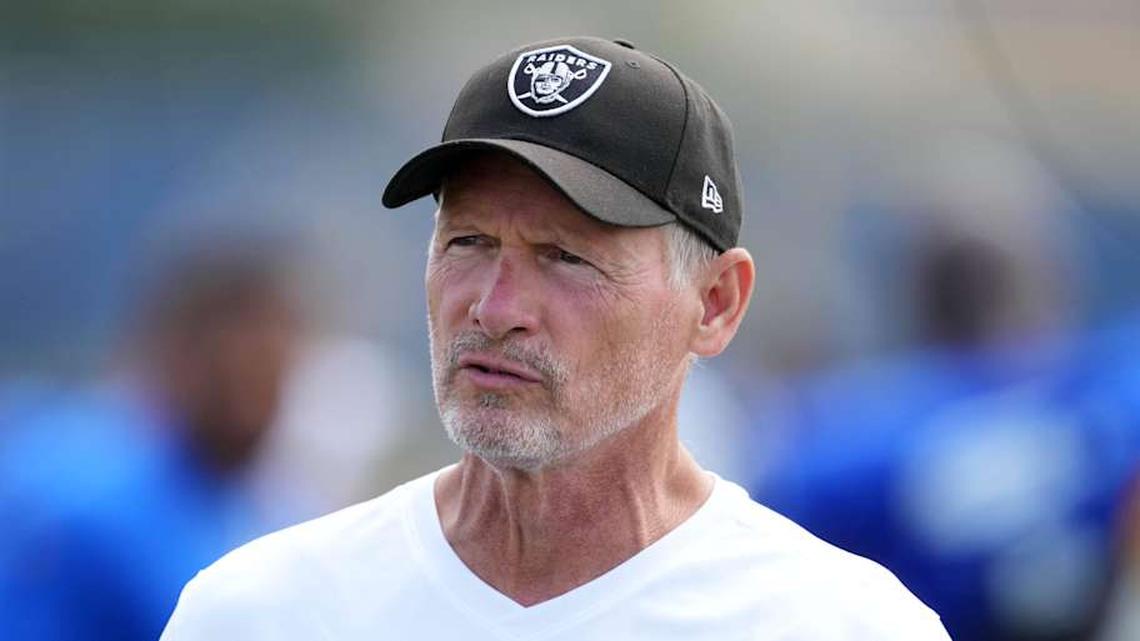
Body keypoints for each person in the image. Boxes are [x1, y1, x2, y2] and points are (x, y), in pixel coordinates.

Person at [160, 36, 950, 640]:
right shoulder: (261, 613)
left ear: (714, 304)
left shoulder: (837, 624)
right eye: (467, 242)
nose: (495, 307)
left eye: (566, 257)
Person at [0, 237, 302, 641]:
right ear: (178, 354)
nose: (257, 404)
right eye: (235, 376)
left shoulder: (269, 510)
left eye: (271, 375)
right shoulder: (81, 496)